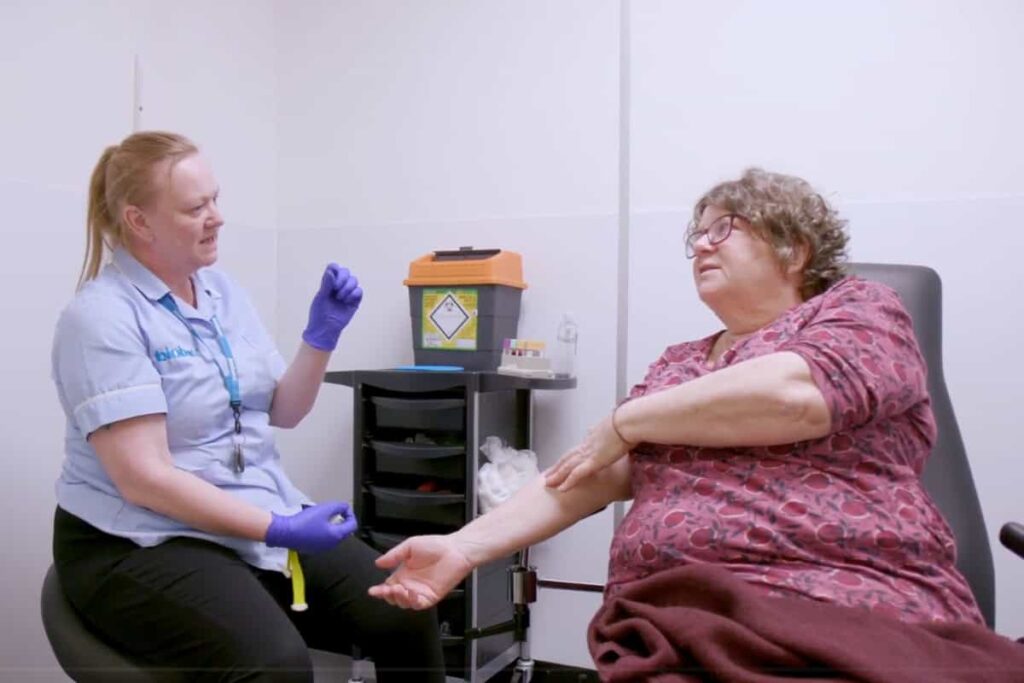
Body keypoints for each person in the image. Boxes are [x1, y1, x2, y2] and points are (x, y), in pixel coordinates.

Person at [367, 168, 984, 629]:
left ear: (794, 249)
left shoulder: (858, 309)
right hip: (678, 613)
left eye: (724, 229)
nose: (702, 247)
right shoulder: (680, 365)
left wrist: (628, 419)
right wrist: (461, 548)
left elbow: (797, 395)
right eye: (697, 234)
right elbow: (586, 474)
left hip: (839, 593)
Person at [51, 131, 444, 682]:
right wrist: (276, 529)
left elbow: (283, 411)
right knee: (275, 666)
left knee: (406, 609)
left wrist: (321, 337)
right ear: (139, 222)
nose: (217, 217)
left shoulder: (221, 293)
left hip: (247, 510)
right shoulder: (101, 317)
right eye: (196, 207)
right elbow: (145, 480)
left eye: (215, 199)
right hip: (139, 539)